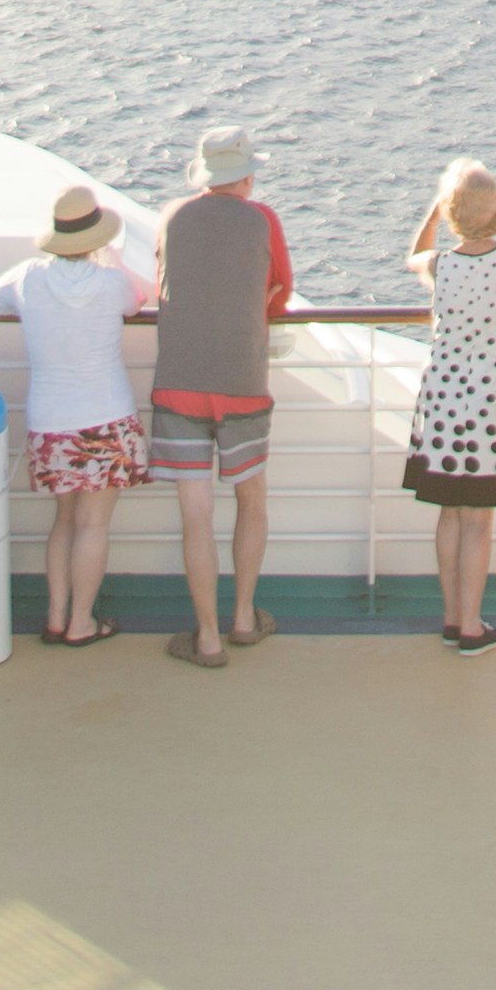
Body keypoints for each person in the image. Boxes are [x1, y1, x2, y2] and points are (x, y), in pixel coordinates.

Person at [151, 129, 296, 668]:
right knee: (250, 498)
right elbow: (281, 286)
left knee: (196, 515)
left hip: (179, 381)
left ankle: (206, 638)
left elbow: (163, 277)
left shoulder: (172, 216)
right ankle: (242, 617)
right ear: (248, 175)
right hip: (242, 380)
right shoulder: (264, 220)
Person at [0, 188, 156, 650]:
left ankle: (56, 616)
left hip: (50, 419)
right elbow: (136, 299)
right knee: (93, 525)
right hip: (106, 417)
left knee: (63, 521)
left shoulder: (28, 277)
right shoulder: (110, 284)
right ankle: (83, 621)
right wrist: (114, 261)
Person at [401, 160, 496, 652]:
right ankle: (473, 625)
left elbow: (413, 255)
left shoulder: (442, 264)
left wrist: (433, 216)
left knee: (450, 513)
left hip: (443, 398)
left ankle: (452, 618)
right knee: (479, 517)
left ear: (453, 212)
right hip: (491, 400)